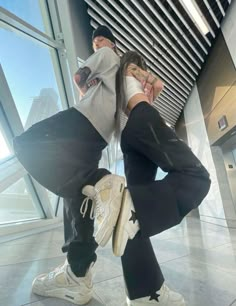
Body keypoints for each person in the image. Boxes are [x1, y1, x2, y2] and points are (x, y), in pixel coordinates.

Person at [13, 25, 125, 305]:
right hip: (101, 135)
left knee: (26, 144)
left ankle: (99, 179)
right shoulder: (123, 76)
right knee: (77, 196)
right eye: (96, 42)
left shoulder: (108, 56)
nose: (96, 45)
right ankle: (79, 271)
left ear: (110, 43)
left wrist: (84, 88)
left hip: (82, 120)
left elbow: (79, 75)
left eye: (99, 40)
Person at [112, 51, 211, 305]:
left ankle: (145, 293)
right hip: (144, 118)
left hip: (129, 132)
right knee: (197, 177)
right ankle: (123, 202)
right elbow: (159, 83)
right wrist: (149, 83)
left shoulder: (116, 83)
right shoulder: (131, 67)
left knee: (132, 220)